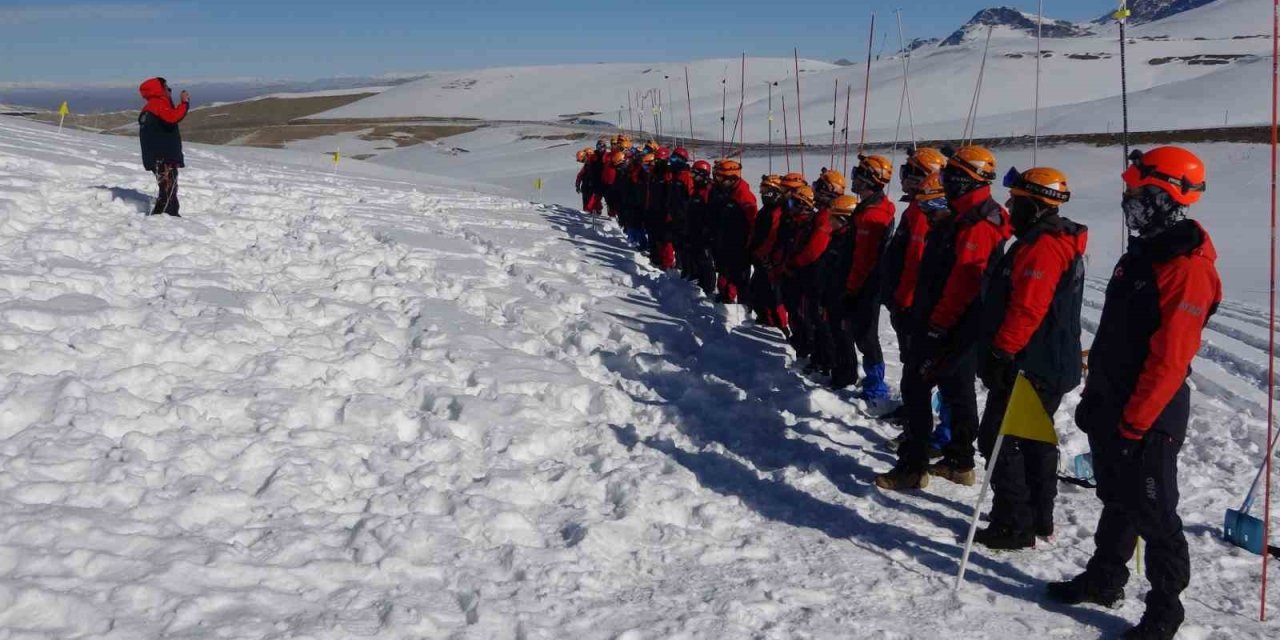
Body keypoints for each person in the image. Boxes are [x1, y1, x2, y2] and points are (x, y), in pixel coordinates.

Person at [1048, 147, 1220, 640]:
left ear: (1167, 198)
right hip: (1115, 402)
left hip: (1151, 414)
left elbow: (1170, 359)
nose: (1128, 203)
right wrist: (1097, 398)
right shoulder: (1143, 252)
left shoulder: (1186, 267)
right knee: (1117, 499)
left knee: (1155, 511)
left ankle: (1166, 609)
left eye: (1138, 195)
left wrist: (1135, 422)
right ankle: (1105, 579)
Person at [876, 146, 1010, 491]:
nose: (946, 181)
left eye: (953, 176)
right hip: (955, 322)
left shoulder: (977, 223)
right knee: (956, 387)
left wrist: (936, 326)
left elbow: (963, 283)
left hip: (951, 323)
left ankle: (913, 465)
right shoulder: (967, 213)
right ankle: (959, 459)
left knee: (917, 386)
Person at [973, 167, 1087, 550]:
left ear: (1035, 206)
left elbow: (1028, 308)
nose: (1010, 206)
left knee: (998, 438)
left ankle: (1014, 522)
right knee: (1034, 438)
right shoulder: (1047, 240)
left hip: (1033, 362)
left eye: (1017, 201)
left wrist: (1002, 351)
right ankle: (1038, 516)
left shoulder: (1044, 246)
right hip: (1046, 359)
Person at [881, 148, 947, 422]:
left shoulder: (923, 213)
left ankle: (920, 419)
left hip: (913, 303)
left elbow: (915, 262)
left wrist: (904, 300)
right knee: (911, 361)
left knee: (920, 367)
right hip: (906, 299)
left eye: (909, 172)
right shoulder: (914, 208)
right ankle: (912, 410)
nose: (904, 178)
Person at [841, 155, 896, 398]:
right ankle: (873, 379)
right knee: (862, 332)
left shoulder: (872, 215)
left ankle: (876, 385)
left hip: (867, 285)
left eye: (858, 175)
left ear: (867, 180)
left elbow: (863, 259)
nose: (854, 179)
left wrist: (851, 289)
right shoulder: (871, 208)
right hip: (865, 283)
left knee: (865, 335)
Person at [708, 159, 758, 305]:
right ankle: (725, 297)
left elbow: (753, 223)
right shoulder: (724, 192)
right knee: (724, 271)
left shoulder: (743, 196)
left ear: (731, 179)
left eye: (719, 177)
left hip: (739, 246)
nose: (716, 180)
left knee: (740, 278)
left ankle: (743, 307)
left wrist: (748, 246)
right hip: (724, 241)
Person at [138, 77, 190, 217]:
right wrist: (184, 103)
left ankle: (165, 217)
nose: (169, 90)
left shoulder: (153, 105)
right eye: (167, 88)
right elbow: (173, 117)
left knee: (167, 190)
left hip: (158, 156)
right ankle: (166, 219)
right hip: (163, 158)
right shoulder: (157, 104)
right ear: (159, 90)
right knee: (168, 191)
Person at [747, 175, 790, 329]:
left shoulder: (778, 211)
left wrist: (760, 253)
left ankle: (778, 326)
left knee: (773, 296)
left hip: (770, 261)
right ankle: (765, 319)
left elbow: (773, 236)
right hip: (760, 257)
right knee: (757, 291)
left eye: (765, 189)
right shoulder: (766, 209)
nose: (762, 192)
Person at [684, 160, 719, 296]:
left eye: (695, 174)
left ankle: (708, 288)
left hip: (705, 232)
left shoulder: (709, 191)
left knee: (706, 261)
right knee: (696, 257)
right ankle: (699, 282)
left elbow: (712, 213)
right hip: (694, 229)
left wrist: (708, 231)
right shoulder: (697, 189)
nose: (692, 177)